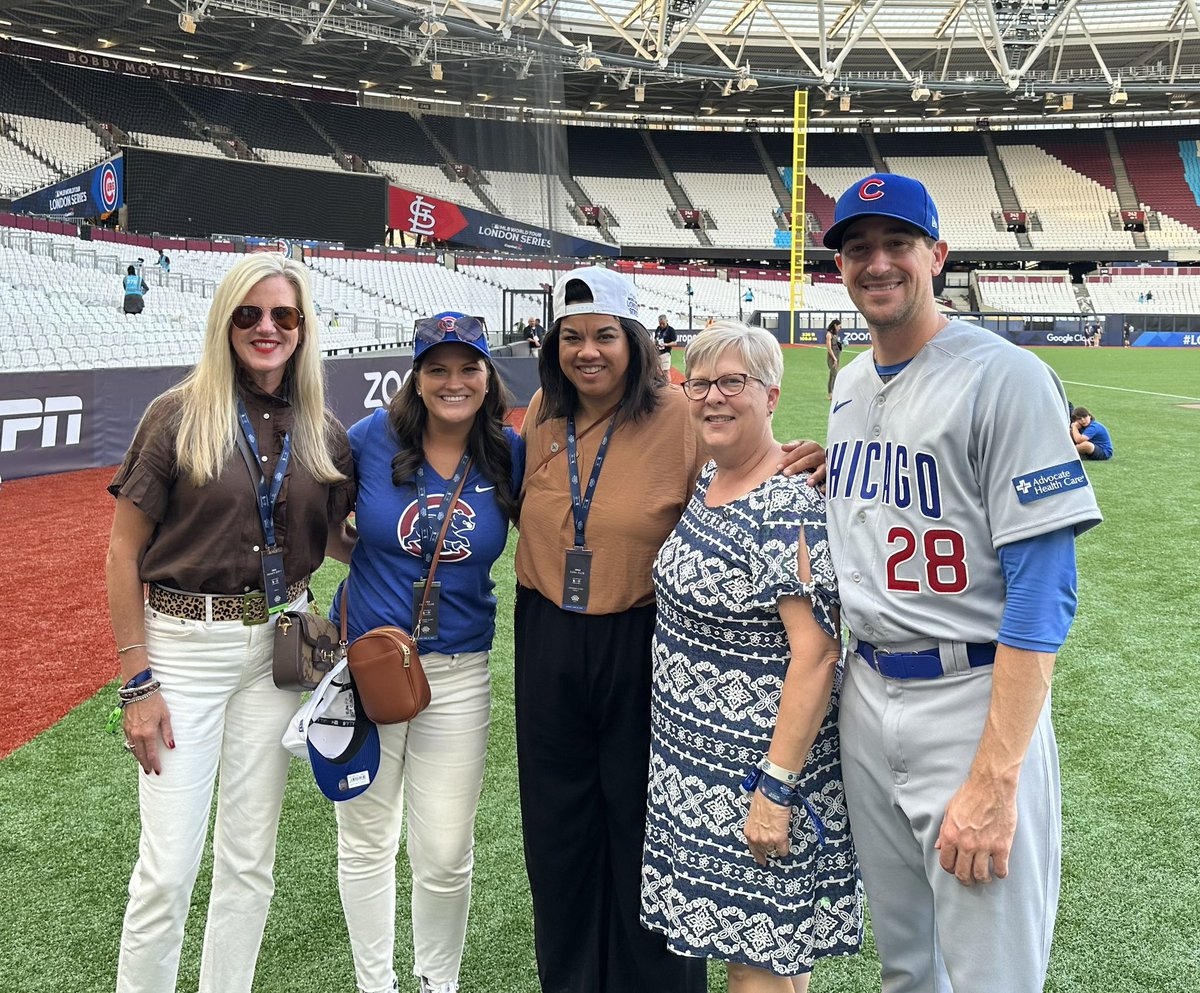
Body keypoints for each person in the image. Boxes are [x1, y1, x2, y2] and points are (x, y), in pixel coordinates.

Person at [820, 173, 1103, 993]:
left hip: (969, 691)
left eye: (896, 244)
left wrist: (996, 772)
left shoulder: (1004, 375)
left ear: (936, 255)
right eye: (857, 247)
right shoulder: (847, 385)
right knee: (907, 967)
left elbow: (1045, 585)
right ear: (840, 265)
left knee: (993, 977)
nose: (876, 263)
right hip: (866, 693)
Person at [513, 266, 827, 993]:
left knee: (641, 831)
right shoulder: (541, 412)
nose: (588, 351)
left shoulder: (678, 413)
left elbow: (744, 462)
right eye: (572, 337)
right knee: (557, 834)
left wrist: (804, 460)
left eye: (604, 336)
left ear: (635, 342)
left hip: (640, 639)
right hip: (548, 638)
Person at [105, 253, 355, 993]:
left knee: (250, 860)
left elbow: (338, 537)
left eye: (283, 315)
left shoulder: (324, 431)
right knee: (168, 867)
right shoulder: (176, 413)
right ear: (225, 322)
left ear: (304, 328)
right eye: (249, 313)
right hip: (184, 648)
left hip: (283, 647)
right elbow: (124, 549)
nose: (266, 328)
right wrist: (135, 680)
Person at [641, 320, 862, 991]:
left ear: (769, 395)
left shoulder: (786, 501)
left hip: (755, 774)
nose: (712, 396)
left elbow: (818, 653)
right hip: (701, 769)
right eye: (699, 381)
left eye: (732, 381)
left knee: (754, 959)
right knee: (770, 956)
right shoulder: (714, 474)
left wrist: (774, 787)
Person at [327, 311, 524, 993]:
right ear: (416, 376)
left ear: (486, 374)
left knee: (444, 851)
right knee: (366, 838)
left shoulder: (508, 449)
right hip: (369, 666)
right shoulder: (366, 440)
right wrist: (367, 564)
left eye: (468, 366)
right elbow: (321, 520)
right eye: (437, 368)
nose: (454, 381)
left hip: (461, 670)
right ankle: (373, 983)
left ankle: (438, 979)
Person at [825, 318, 844, 400]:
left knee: (832, 376)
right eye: (839, 326)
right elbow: (829, 348)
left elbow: (837, 345)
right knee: (835, 375)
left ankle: (830, 394)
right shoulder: (829, 335)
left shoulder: (835, 335)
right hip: (832, 358)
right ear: (835, 325)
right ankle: (835, 394)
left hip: (837, 356)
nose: (840, 328)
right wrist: (834, 359)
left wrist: (842, 344)